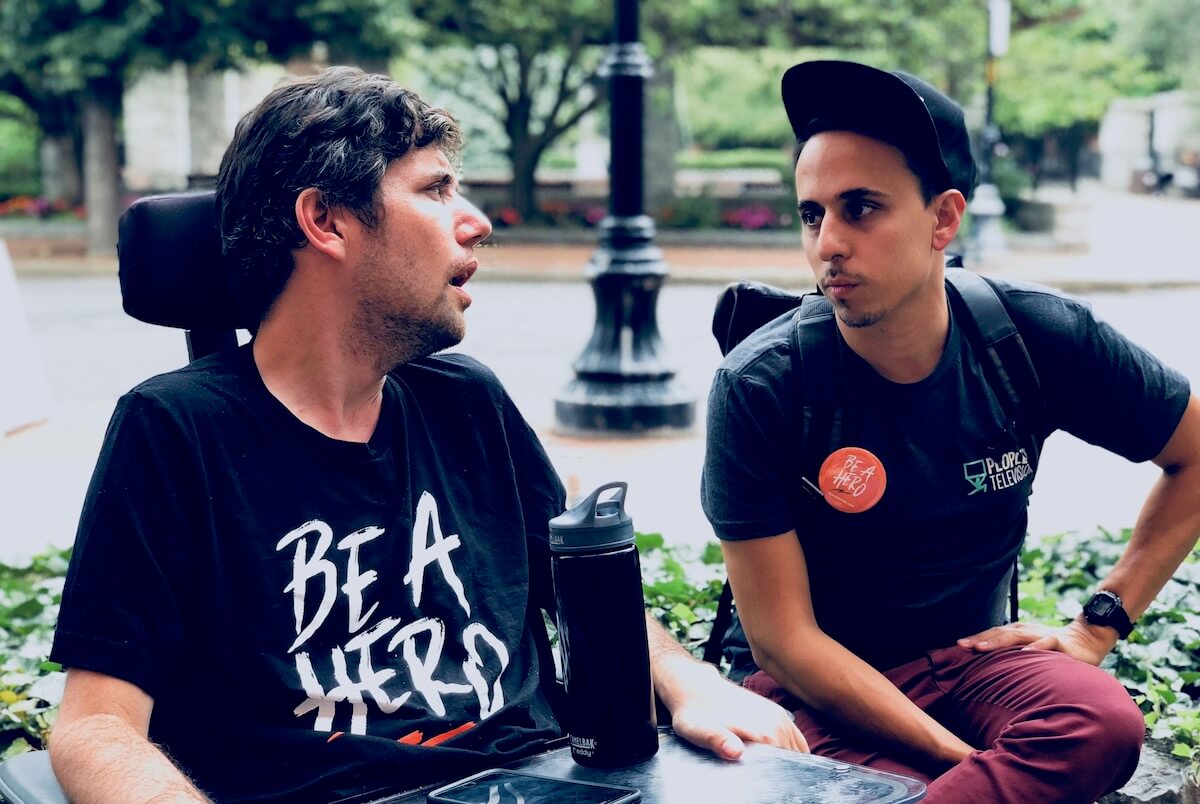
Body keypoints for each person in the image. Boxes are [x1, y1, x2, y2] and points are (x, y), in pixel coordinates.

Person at [47, 67, 806, 803]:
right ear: (326, 221)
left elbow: (585, 600)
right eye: (436, 190)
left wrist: (689, 681)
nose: (474, 220)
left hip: (545, 783)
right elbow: (95, 726)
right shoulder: (177, 431)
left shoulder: (466, 401)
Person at [701, 59, 1200, 803]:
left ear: (943, 219)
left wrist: (1097, 627)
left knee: (1103, 721)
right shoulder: (763, 384)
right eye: (813, 213)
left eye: (861, 208)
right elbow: (784, 640)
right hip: (814, 689)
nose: (827, 243)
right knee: (851, 781)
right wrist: (956, 758)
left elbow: (1192, 454)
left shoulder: (1031, 337)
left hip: (973, 663)